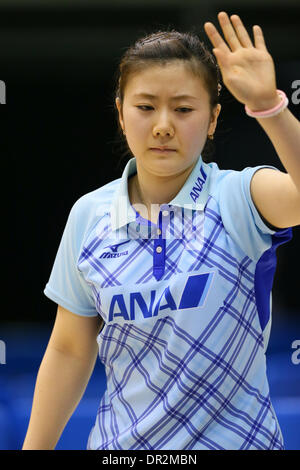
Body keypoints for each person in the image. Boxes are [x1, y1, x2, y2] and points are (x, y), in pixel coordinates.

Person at [22, 12, 300, 450]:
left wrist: (269, 107)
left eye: (185, 109)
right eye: (146, 106)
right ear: (120, 114)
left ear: (212, 119)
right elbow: (70, 350)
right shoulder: (89, 215)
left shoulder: (241, 197)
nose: (164, 124)